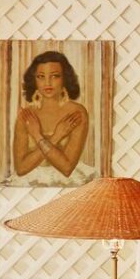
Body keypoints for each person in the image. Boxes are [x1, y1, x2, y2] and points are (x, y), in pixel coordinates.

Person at [12, 49, 92, 184]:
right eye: (41, 76)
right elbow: (21, 169)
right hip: (29, 182)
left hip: (68, 183)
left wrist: (37, 136)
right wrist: (56, 136)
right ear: (34, 80)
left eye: (55, 76)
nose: (47, 83)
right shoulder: (27, 115)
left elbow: (67, 169)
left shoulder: (77, 112)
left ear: (65, 78)